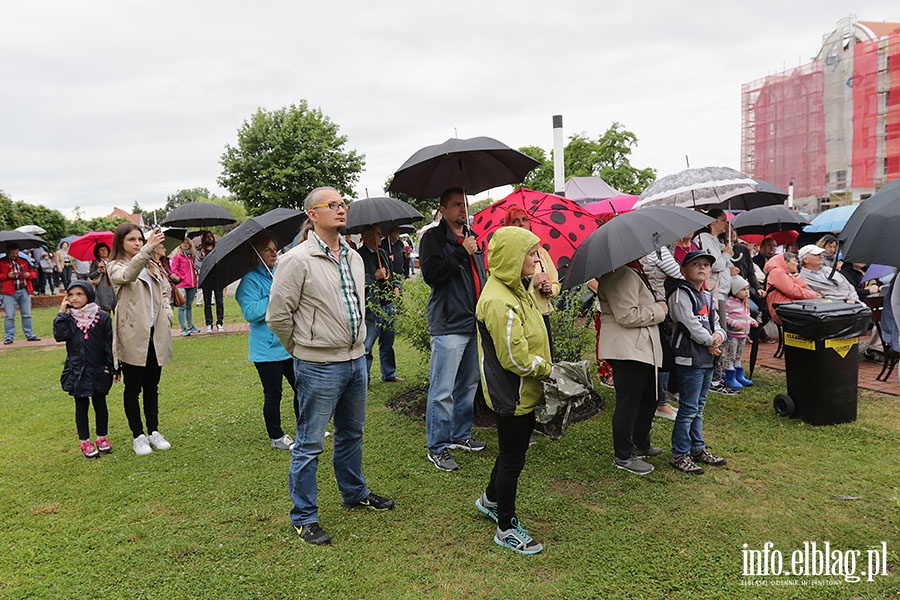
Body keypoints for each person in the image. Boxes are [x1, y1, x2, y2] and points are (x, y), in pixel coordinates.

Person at [267, 186, 394, 546]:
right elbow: (278, 316)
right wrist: (304, 347)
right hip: (318, 364)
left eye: (343, 204)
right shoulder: (296, 259)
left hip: (356, 361)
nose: (341, 209)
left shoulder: (353, 256)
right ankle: (304, 516)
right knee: (309, 444)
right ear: (312, 214)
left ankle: (354, 492)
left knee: (352, 434)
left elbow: (357, 304)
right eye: (332, 205)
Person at [474, 226, 550, 555]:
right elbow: (514, 358)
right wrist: (549, 370)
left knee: (511, 453)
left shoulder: (515, 289)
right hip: (513, 392)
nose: (537, 257)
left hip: (522, 391)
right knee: (511, 459)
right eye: (531, 253)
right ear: (513, 258)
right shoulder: (499, 301)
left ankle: (490, 499)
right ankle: (505, 526)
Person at [419, 188, 488, 472]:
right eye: (457, 205)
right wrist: (462, 251)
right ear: (442, 209)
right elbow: (432, 276)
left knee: (468, 384)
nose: (463, 209)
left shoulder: (471, 235)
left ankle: (460, 435)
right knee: (442, 389)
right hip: (448, 324)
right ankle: (437, 447)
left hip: (473, 322)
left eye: (465, 204)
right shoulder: (433, 238)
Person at [107, 223, 174, 456]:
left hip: (156, 334)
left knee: (152, 387)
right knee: (133, 387)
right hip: (134, 335)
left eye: (139, 239)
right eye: (131, 240)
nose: (137, 244)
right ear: (121, 243)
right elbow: (127, 275)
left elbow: (165, 291)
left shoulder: (151, 264)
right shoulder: (115, 265)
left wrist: (167, 314)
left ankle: (154, 431)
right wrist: (147, 249)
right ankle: (138, 435)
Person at [596, 258, 667, 476]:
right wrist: (658, 309)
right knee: (629, 403)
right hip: (629, 349)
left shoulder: (630, 271)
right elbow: (627, 315)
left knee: (648, 398)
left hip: (638, 348)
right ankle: (623, 455)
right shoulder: (621, 274)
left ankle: (641, 443)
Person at [667, 250, 728, 475]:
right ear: (684, 270)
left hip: (706, 358)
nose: (702, 268)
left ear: (711, 270)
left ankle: (697, 447)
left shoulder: (707, 295)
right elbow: (690, 324)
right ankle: (679, 454)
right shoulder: (681, 294)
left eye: (706, 265)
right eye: (695, 264)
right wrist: (711, 341)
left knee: (699, 407)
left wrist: (719, 335)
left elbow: (716, 322)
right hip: (689, 357)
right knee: (689, 408)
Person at [236, 231, 299, 451]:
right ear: (256, 254)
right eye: (267, 249)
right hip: (266, 350)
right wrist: (274, 294)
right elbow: (251, 312)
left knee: (303, 387)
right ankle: (276, 436)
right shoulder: (249, 281)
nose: (274, 252)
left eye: (275, 248)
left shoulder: (278, 273)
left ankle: (306, 428)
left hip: (288, 345)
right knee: (274, 394)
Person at [53, 281, 116, 459]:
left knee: (100, 404)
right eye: (71, 295)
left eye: (79, 294)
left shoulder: (102, 317)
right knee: (81, 406)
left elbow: (108, 343)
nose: (74, 298)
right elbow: (60, 336)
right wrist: (61, 312)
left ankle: (102, 437)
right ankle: (85, 441)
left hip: (98, 368)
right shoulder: (68, 318)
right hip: (77, 369)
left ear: (88, 294)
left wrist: (111, 368)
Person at [504, 207, 560, 356]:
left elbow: (556, 283)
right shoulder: (507, 254)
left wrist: (550, 288)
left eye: (524, 219)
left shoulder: (541, 252)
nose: (521, 224)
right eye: (515, 220)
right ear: (509, 226)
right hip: (522, 315)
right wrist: (532, 283)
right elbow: (506, 286)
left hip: (542, 312)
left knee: (547, 357)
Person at [358, 224, 403, 382]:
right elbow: (355, 282)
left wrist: (396, 286)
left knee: (388, 344)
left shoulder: (383, 253)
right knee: (367, 347)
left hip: (388, 306)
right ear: (368, 236)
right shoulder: (358, 256)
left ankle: (389, 374)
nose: (381, 237)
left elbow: (393, 273)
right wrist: (373, 276)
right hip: (372, 309)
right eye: (378, 234)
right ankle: (364, 378)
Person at [764, 252, 820, 326]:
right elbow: (793, 291)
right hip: (784, 310)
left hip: (789, 307)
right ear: (786, 262)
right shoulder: (777, 272)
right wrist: (814, 295)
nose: (797, 264)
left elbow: (801, 286)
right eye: (794, 261)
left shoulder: (784, 273)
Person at [1, 243, 41, 344]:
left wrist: (29, 275)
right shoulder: (2, 262)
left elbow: (34, 273)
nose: (15, 255)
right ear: (8, 252)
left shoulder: (24, 261)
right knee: (9, 316)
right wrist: (7, 275)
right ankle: (9, 337)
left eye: (16, 252)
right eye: (12, 253)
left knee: (27, 314)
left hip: (24, 290)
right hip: (9, 292)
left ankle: (30, 334)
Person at [723, 276, 757, 390]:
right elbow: (725, 316)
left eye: (747, 289)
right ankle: (729, 375)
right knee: (730, 355)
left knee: (739, 354)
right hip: (733, 334)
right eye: (743, 290)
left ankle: (738, 374)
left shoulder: (744, 304)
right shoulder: (729, 303)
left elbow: (746, 316)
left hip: (743, 334)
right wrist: (734, 323)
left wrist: (752, 321)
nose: (746, 292)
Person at [170, 239, 200, 336]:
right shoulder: (177, 256)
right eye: (183, 243)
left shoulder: (191, 256)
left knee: (189, 306)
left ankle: (191, 326)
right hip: (182, 284)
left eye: (187, 243)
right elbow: (174, 270)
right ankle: (183, 328)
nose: (185, 245)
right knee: (182, 307)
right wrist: (182, 277)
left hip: (192, 284)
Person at [195, 231, 224, 332]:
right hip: (206, 279)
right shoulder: (200, 251)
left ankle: (219, 322)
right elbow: (197, 266)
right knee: (207, 302)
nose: (209, 238)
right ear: (204, 239)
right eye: (207, 237)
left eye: (211, 236)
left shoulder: (218, 249)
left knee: (219, 302)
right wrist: (201, 257)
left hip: (217, 278)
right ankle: (209, 324)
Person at [89, 243, 116, 313]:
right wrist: (99, 270)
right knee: (105, 310)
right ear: (98, 253)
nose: (104, 251)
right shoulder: (95, 262)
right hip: (102, 289)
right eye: (101, 250)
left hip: (114, 287)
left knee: (117, 309)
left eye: (105, 249)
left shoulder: (113, 261)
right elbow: (91, 276)